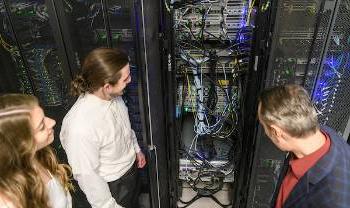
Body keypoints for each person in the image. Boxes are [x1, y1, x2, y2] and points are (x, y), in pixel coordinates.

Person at [60, 48, 146, 208]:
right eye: (126, 78)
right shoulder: (80, 127)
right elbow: (87, 176)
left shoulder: (114, 96)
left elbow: (124, 128)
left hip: (130, 171)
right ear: (107, 86)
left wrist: (135, 149)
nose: (130, 80)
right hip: (114, 186)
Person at [257, 84, 350, 208]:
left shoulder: (332, 200)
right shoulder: (322, 133)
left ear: (277, 132)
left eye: (264, 127)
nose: (266, 133)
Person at [0, 94, 73, 208]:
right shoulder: (10, 202)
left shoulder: (40, 156)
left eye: (44, 116)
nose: (52, 122)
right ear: (22, 145)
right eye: (41, 126)